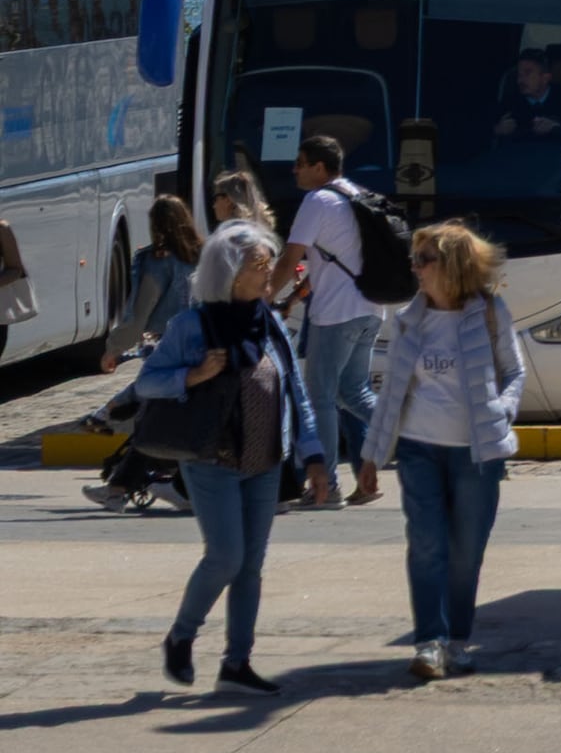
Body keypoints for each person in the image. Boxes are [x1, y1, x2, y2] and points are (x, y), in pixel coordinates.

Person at [140, 221, 329, 691]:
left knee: (250, 566)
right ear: (229, 273)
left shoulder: (270, 323)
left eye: (270, 263)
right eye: (260, 265)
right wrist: (192, 376)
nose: (271, 274)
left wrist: (314, 456)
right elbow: (146, 382)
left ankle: (236, 664)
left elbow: (296, 390)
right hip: (213, 461)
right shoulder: (191, 326)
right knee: (225, 557)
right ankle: (182, 636)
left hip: (265, 462)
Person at [367, 222, 527, 680]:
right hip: (418, 448)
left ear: (452, 265)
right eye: (414, 260)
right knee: (426, 544)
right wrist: (371, 455)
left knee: (465, 552)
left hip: (476, 454)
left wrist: (502, 410)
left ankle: (457, 640)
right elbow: (392, 391)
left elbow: (514, 373)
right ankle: (429, 643)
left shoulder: (491, 313)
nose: (416, 268)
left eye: (425, 260)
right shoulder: (409, 319)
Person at [283, 130, 389, 508]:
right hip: (370, 308)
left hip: (336, 315)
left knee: (322, 398)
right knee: (352, 392)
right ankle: (413, 433)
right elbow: (333, 261)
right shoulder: (356, 195)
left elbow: (291, 256)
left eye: (300, 164)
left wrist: (265, 296)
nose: (294, 170)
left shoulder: (318, 200)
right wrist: (295, 295)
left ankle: (325, 488)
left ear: (319, 167)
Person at [84, 192, 204, 508]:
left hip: (165, 346)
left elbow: (139, 314)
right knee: (170, 416)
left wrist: (113, 349)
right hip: (200, 346)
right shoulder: (203, 254)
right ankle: (123, 485)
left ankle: (118, 488)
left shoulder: (156, 260)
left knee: (154, 418)